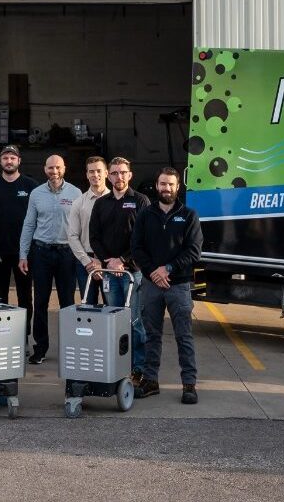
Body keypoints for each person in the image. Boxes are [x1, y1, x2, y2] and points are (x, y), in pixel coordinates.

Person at [131, 167, 203, 404]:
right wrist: (154, 271)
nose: (166, 188)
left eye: (171, 184)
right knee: (152, 335)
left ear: (177, 187)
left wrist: (168, 269)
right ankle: (150, 381)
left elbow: (193, 251)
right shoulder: (145, 214)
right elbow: (136, 248)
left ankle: (189, 385)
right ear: (157, 185)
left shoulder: (189, 215)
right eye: (163, 184)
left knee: (184, 336)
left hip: (178, 286)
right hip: (152, 285)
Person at [89, 156, 151, 384]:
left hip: (131, 273)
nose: (118, 177)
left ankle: (137, 368)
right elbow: (93, 238)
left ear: (130, 174)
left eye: (123, 172)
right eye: (114, 173)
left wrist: (122, 260)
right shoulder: (101, 203)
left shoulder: (141, 201)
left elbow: (144, 238)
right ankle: (116, 367)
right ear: (109, 175)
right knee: (113, 321)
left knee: (134, 321)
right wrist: (108, 261)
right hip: (109, 274)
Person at [17, 154, 82, 364]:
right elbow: (28, 225)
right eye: (51, 168)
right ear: (45, 169)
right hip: (41, 252)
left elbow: (81, 227)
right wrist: (23, 254)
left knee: (67, 303)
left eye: (58, 168)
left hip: (67, 254)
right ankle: (40, 347)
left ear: (65, 169)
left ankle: (69, 348)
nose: (54, 171)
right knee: (41, 301)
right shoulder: (36, 194)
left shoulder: (76, 193)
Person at [0, 146, 37, 323]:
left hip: (24, 252)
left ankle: (23, 337)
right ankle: (0, 335)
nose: (9, 161)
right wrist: (0, 229)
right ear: (0, 161)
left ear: (19, 161)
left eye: (12, 157)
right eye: (5, 158)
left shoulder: (31, 186)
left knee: (25, 296)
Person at [65, 155, 109, 304]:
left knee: (112, 308)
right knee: (88, 310)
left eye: (98, 171)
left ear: (106, 173)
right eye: (91, 171)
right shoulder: (78, 203)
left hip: (109, 264)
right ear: (86, 174)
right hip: (85, 263)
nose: (95, 175)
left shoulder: (116, 202)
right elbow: (72, 236)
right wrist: (87, 262)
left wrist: (104, 262)